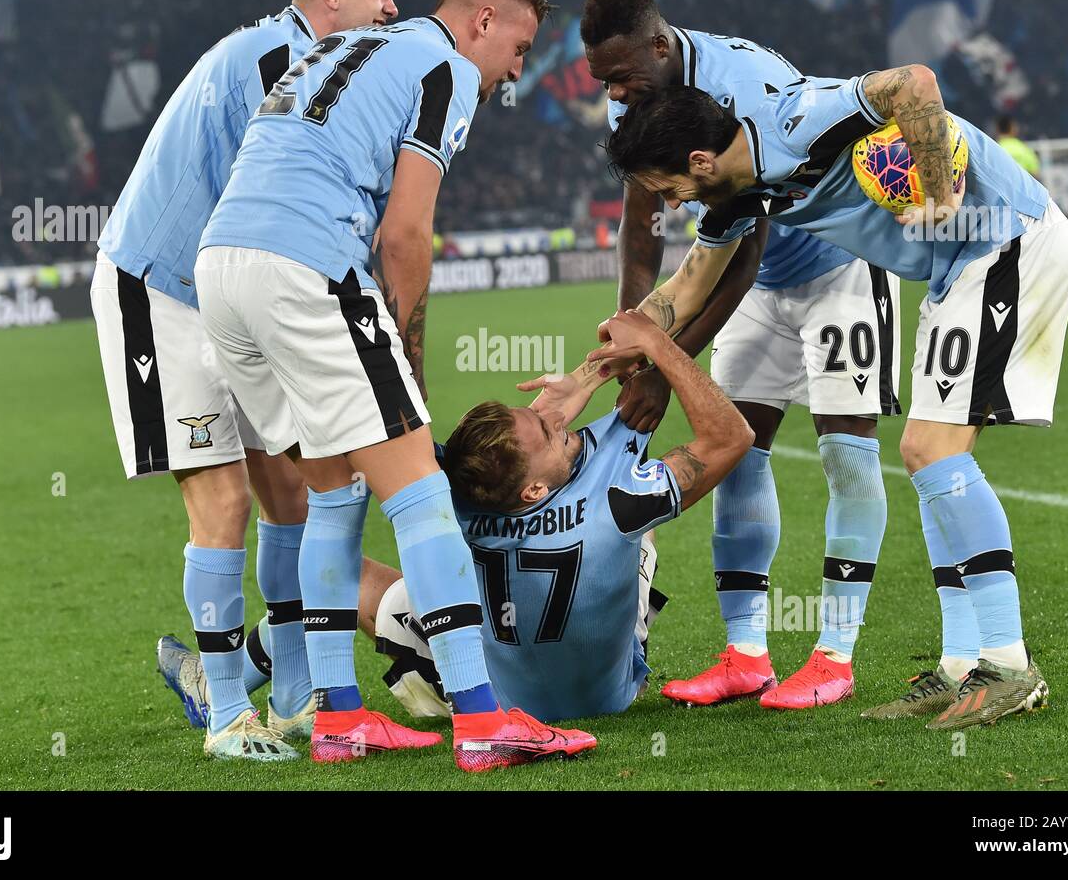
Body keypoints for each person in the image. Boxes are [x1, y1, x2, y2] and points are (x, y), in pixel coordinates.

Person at [195, 0, 597, 771]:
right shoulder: (444, 68)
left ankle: (339, 717)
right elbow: (405, 234)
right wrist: (406, 351)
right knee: (421, 495)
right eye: (518, 49)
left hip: (224, 268)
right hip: (306, 267)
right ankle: (484, 721)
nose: (514, 71)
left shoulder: (340, 47)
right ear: (481, 21)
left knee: (333, 489)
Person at [598, 64, 1068, 731]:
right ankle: (966, 664)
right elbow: (687, 285)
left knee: (930, 454)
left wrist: (938, 193)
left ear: (701, 160)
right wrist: (607, 356)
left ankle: (1010, 663)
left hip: (1007, 244)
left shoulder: (798, 122)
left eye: (670, 187)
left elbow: (914, 82)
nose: (672, 203)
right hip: (953, 270)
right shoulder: (741, 191)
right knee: (929, 458)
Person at [91, 0, 397, 761]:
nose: (392, 8)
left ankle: (296, 696)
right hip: (163, 289)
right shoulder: (275, 58)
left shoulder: (312, 68)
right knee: (222, 499)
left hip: (233, 290)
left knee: (291, 494)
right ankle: (229, 711)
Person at [161, 308, 753, 726]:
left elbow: (374, 440)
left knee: (357, 578)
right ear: (534, 489)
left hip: (487, 692)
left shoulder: (454, 490)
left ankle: (229, 674)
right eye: (548, 428)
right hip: (613, 693)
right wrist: (654, 344)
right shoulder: (621, 497)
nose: (560, 420)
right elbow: (730, 436)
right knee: (640, 546)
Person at [580, 0, 900, 710]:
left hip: (836, 265)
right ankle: (747, 655)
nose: (616, 94)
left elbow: (741, 247)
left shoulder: (738, 91)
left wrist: (663, 366)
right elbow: (643, 226)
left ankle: (835, 658)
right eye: (605, 82)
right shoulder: (635, 89)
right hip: (751, 288)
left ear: (660, 47)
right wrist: (633, 335)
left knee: (845, 450)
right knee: (738, 450)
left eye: (623, 77)